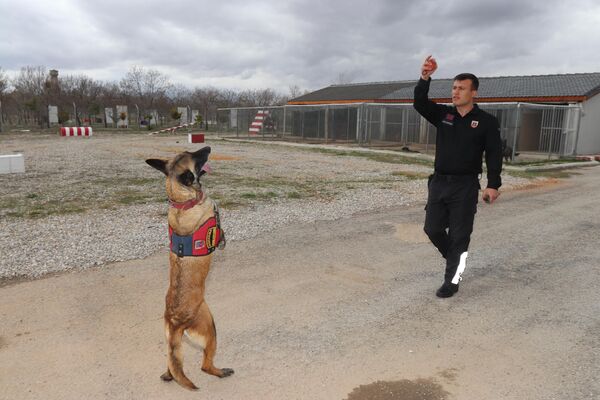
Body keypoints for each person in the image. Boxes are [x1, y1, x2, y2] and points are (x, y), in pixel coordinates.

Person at [413, 55, 502, 298]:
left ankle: (452, 279)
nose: (455, 92)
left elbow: (494, 154)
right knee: (432, 229)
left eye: (461, 88)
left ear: (474, 93)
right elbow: (420, 103)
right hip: (440, 182)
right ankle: (455, 258)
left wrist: (493, 184)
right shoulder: (444, 116)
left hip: (465, 186)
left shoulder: (486, 122)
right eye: (454, 88)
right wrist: (424, 77)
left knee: (460, 235)